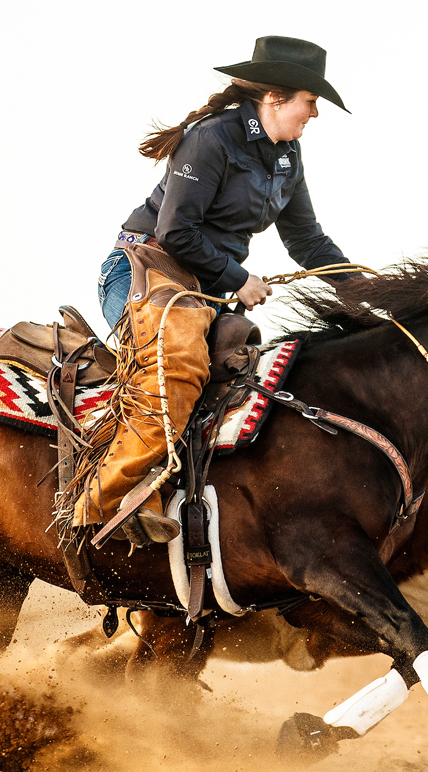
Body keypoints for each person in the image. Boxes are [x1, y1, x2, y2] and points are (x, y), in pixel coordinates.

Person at [72, 35, 351, 544]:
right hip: (144, 269)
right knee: (177, 368)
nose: (315, 114)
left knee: (246, 375)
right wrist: (239, 280)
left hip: (202, 290)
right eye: (311, 102)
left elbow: (307, 239)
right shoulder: (213, 138)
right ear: (275, 97)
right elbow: (177, 232)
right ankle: (103, 501)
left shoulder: (288, 155)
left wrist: (365, 289)